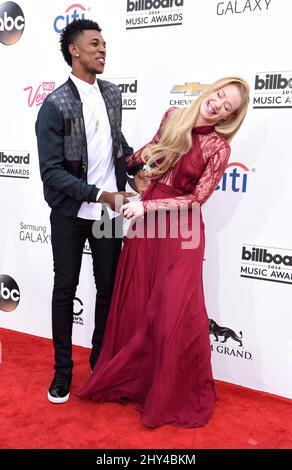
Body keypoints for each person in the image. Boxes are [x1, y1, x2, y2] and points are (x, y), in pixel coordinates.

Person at [77, 77, 250, 428]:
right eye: (219, 95)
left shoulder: (219, 148)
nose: (217, 105)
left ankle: (168, 391)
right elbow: (143, 156)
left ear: (229, 118)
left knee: (172, 312)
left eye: (227, 107)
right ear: (210, 91)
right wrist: (132, 161)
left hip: (179, 231)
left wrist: (147, 206)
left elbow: (197, 199)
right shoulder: (174, 116)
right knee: (139, 305)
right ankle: (136, 383)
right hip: (146, 224)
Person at [35, 19, 134, 404]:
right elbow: (52, 172)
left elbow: (116, 140)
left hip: (109, 215)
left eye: (105, 44)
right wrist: (98, 194)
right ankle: (62, 373)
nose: (102, 49)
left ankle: (101, 365)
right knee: (66, 289)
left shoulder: (111, 93)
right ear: (74, 51)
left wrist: (138, 169)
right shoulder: (55, 104)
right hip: (70, 212)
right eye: (95, 44)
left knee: (109, 290)